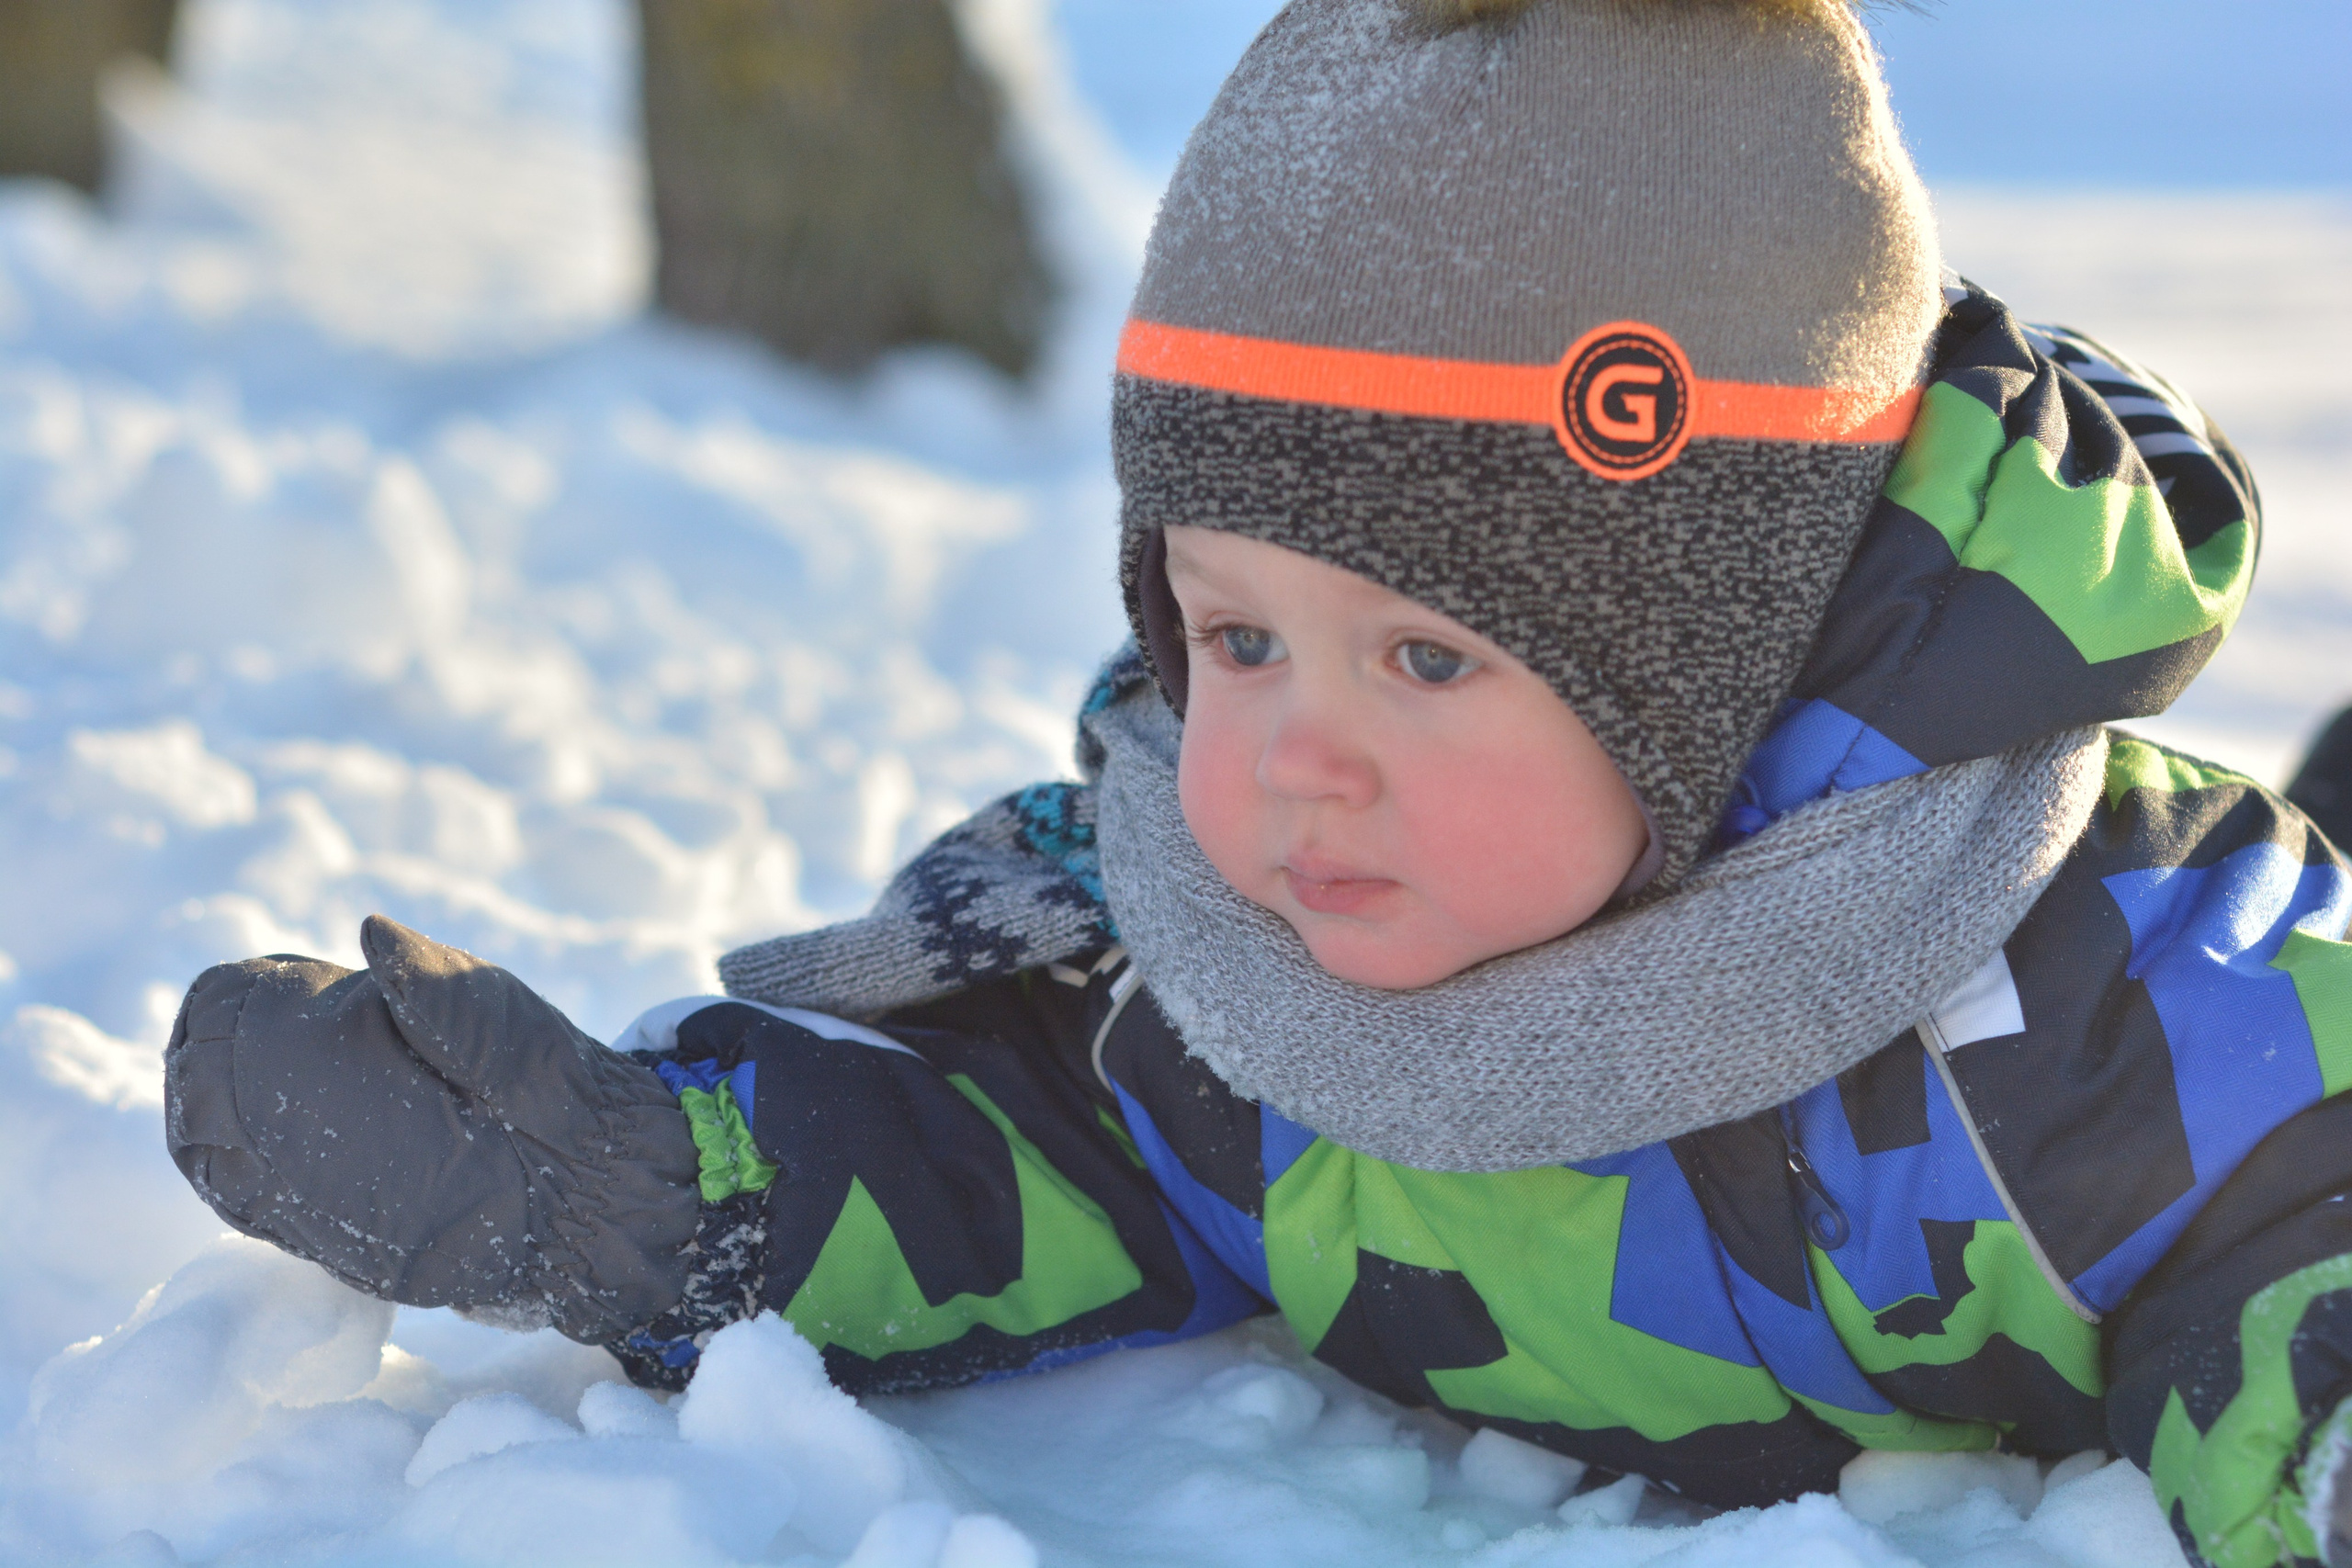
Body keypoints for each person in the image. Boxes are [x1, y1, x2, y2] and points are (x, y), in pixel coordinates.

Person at [160, 2, 2352, 1563]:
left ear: (1716, 671)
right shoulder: (1193, 977)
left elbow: (2296, 1217)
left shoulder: (2095, 993)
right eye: (1230, 637)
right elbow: (988, 1146)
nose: (1298, 754)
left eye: (1426, 653)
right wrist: (629, 1184)